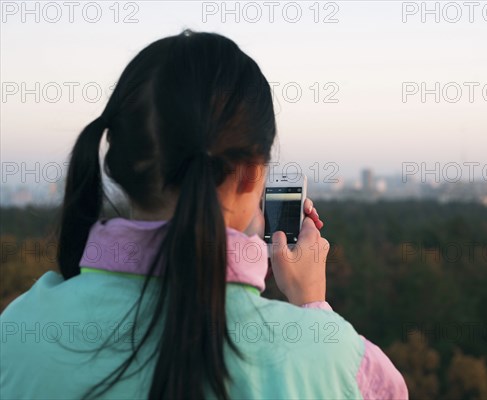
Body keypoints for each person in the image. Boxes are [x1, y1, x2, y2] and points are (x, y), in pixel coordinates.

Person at [0, 30, 409, 399]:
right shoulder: (331, 359)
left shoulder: (19, 331)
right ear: (252, 175)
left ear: (116, 165)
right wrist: (311, 304)